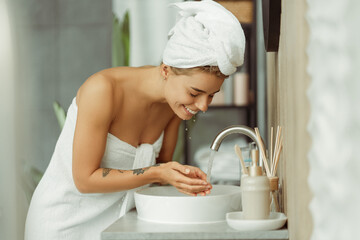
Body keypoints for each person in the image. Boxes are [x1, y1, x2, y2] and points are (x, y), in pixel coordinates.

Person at [24, 0, 245, 239]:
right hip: (63, 225)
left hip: (119, 225)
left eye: (211, 95)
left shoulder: (174, 107)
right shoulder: (103, 91)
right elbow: (84, 180)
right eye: (194, 93)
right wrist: (159, 172)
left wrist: (180, 178)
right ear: (165, 70)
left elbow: (159, 179)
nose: (203, 106)